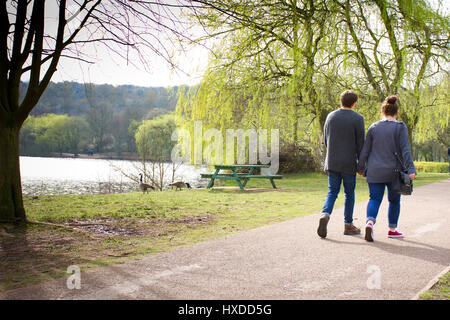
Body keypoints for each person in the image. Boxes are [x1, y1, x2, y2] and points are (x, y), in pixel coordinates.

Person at [357, 95, 416, 242]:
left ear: (382, 112)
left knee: (374, 198)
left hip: (374, 170)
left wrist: (360, 167)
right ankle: (392, 230)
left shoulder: (373, 127)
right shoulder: (400, 127)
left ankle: (370, 222)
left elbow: (365, 150)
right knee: (394, 201)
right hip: (394, 172)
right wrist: (410, 169)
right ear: (396, 112)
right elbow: (405, 150)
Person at [317, 90, 365, 238]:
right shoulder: (358, 118)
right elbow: (360, 144)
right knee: (349, 194)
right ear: (354, 102)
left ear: (340, 101)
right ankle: (348, 224)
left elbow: (326, 139)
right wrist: (361, 165)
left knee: (332, 192)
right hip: (349, 163)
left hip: (332, 161)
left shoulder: (330, 116)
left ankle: (325, 214)